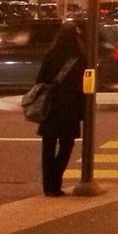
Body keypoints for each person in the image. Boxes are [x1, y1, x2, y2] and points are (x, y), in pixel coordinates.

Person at [35, 21, 87, 197]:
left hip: (50, 107)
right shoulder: (79, 56)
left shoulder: (51, 53)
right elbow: (84, 86)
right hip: (70, 108)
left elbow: (40, 80)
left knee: (48, 147)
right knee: (67, 145)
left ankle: (48, 186)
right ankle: (56, 180)